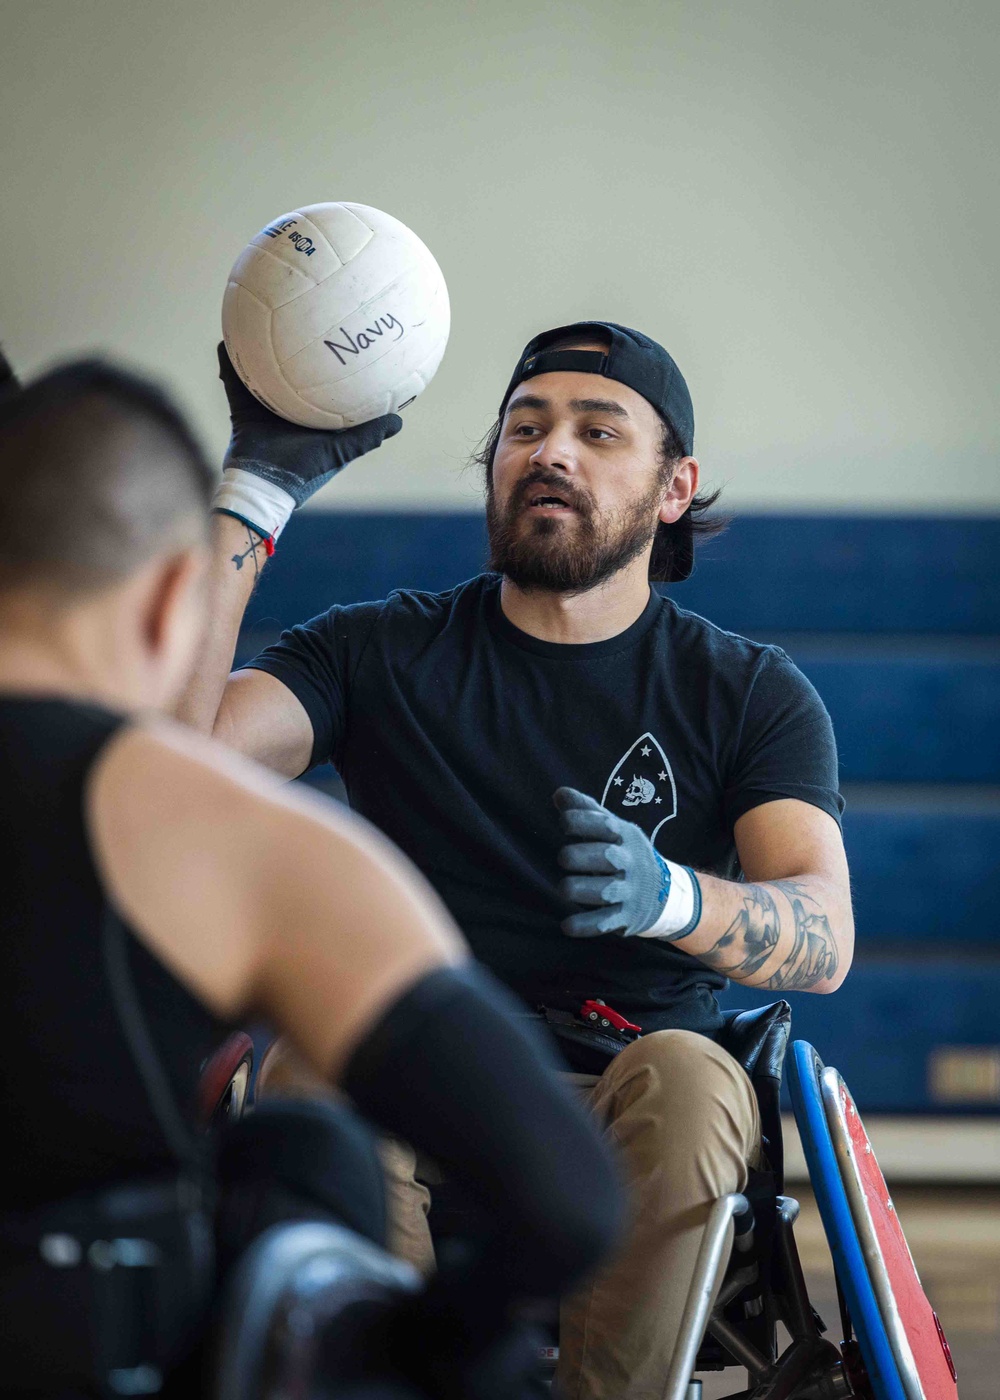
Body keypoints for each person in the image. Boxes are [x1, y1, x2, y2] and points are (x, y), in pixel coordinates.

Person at [181, 323, 855, 1400]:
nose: (551, 451)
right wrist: (255, 489)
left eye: (599, 430)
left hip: (629, 1079)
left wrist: (670, 894)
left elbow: (821, 931)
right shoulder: (374, 650)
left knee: (690, 1073)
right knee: (314, 1055)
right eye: (524, 427)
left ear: (673, 486)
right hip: (425, 1065)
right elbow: (167, 756)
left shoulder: (746, 690)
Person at [0, 354, 622, 1397]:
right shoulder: (214, 828)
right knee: (303, 1160)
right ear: (168, 604)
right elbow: (568, 1202)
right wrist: (400, 1347)